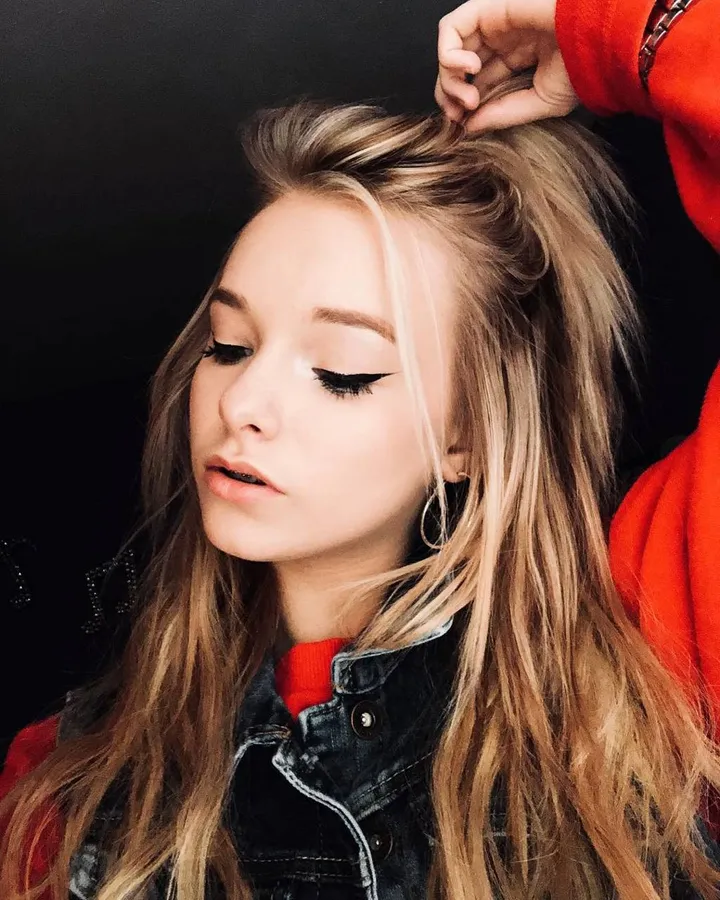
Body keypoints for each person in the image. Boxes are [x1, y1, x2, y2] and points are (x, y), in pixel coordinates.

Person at [1, 0, 719, 898]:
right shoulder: (69, 786)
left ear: (469, 435)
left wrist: (613, 31)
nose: (242, 404)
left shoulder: (645, 659)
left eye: (342, 371)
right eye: (229, 346)